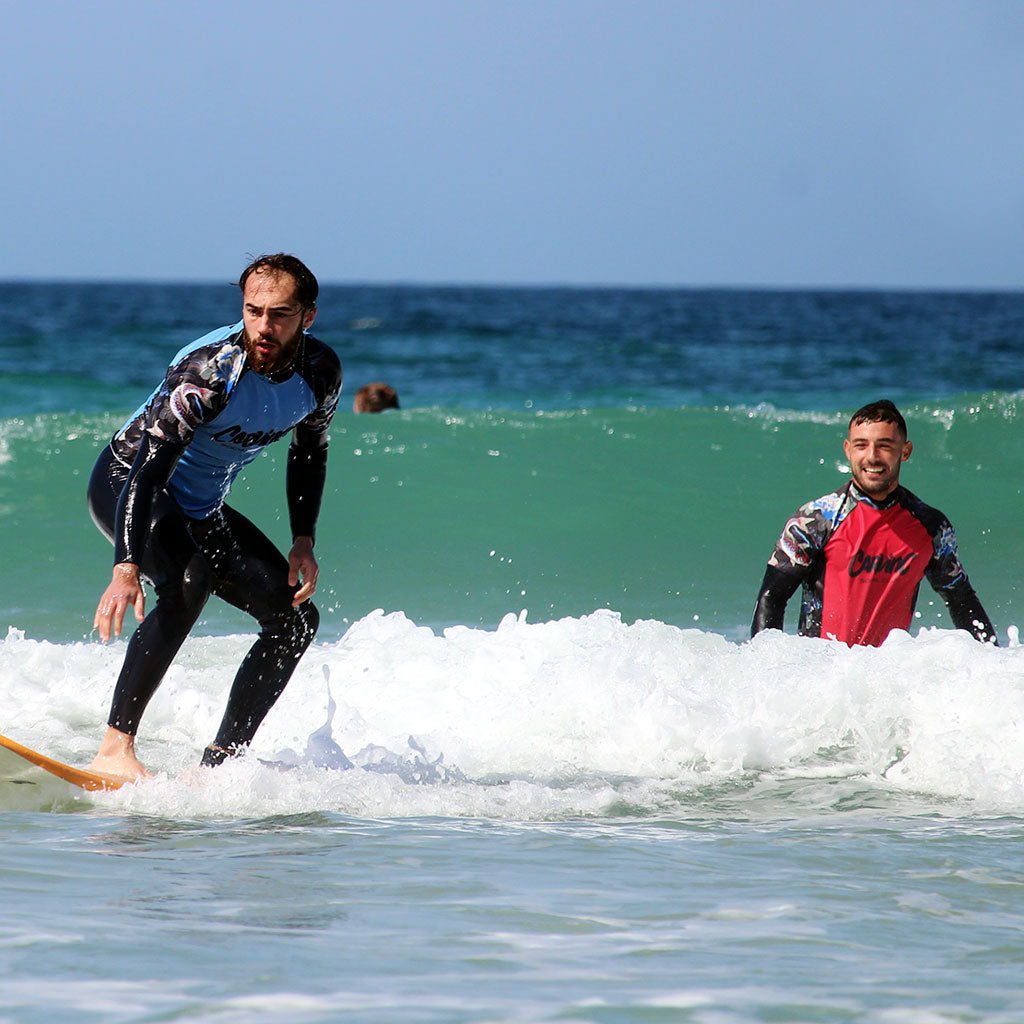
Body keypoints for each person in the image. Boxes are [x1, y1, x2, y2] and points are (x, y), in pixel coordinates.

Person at [87, 254, 342, 780]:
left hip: (201, 505)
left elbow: (309, 453)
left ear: (308, 317)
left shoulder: (319, 374)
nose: (264, 327)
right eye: (253, 312)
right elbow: (147, 472)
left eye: (280, 314)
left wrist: (303, 540)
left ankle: (219, 765)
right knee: (187, 580)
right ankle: (115, 750)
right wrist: (126, 566)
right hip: (126, 482)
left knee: (294, 619)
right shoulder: (208, 371)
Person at [751, 399, 996, 648]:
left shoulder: (931, 527)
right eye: (861, 445)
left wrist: (996, 667)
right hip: (822, 676)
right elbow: (772, 598)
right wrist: (766, 671)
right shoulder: (816, 520)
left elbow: (961, 600)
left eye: (885, 446)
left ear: (905, 451)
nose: (872, 457)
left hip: (886, 677)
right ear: (848, 450)